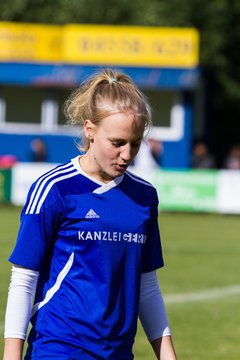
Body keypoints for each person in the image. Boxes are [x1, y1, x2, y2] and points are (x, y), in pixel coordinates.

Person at [3, 69, 177, 360]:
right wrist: (11, 355)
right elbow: (24, 278)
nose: (127, 154)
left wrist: (168, 355)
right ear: (89, 130)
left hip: (118, 353)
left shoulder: (144, 197)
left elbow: (147, 285)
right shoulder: (55, 189)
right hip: (59, 349)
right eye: (117, 142)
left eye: (135, 143)